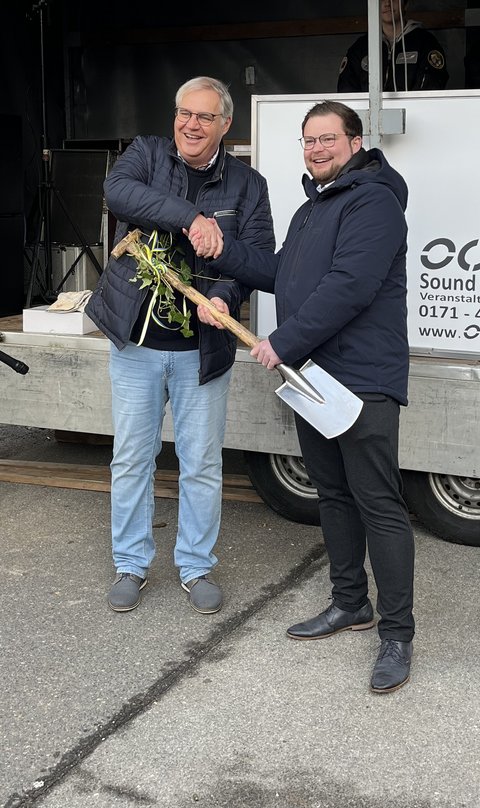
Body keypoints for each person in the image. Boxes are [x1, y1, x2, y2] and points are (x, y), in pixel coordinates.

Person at [189, 100, 415, 694]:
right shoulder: (316, 206)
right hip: (316, 378)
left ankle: (397, 633)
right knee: (334, 496)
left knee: (379, 504)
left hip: (361, 380)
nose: (316, 149)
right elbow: (282, 271)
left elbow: (351, 287)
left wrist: (282, 341)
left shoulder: (374, 201)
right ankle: (349, 603)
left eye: (327, 139)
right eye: (308, 140)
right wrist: (222, 258)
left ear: (355, 140)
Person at [85, 76, 275, 615]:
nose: (192, 125)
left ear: (225, 125)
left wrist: (223, 292)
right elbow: (118, 195)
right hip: (137, 342)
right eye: (184, 114)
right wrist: (192, 218)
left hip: (202, 350)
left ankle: (195, 566)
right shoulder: (146, 155)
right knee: (132, 457)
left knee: (200, 462)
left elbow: (260, 258)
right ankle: (131, 563)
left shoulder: (248, 184)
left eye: (205, 117)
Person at [337, 0, 448, 92]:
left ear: (405, 4)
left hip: (413, 116)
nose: (387, 4)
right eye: (380, 0)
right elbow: (346, 87)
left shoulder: (425, 41)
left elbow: (432, 84)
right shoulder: (361, 46)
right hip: (368, 117)